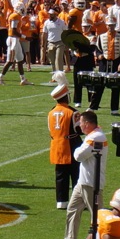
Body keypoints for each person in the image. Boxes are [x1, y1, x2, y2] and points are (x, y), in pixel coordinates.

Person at [53, 110, 107, 239]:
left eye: (82, 123)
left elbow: (78, 156)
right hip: (83, 182)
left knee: (98, 217)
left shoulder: (96, 137)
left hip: (91, 183)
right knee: (72, 210)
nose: (80, 126)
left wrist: (78, 149)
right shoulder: (94, 135)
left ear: (88, 124)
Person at [48, 81, 82, 209]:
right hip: (72, 145)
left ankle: (61, 202)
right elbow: (79, 130)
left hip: (56, 145)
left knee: (60, 175)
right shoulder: (72, 112)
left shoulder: (51, 112)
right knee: (76, 174)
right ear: (65, 97)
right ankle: (77, 201)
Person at [90, 18, 120, 114]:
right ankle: (93, 107)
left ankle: (114, 109)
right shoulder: (101, 37)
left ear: (115, 25)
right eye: (109, 25)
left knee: (115, 87)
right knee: (99, 86)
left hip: (115, 63)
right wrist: (99, 55)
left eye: (112, 25)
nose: (111, 27)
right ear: (106, 25)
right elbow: (97, 49)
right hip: (104, 64)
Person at [0, 3, 33, 86]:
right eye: (22, 9)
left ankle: (23, 79)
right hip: (13, 40)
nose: (23, 10)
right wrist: (25, 37)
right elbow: (13, 31)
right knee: (10, 61)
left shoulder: (17, 16)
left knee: (20, 59)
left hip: (16, 39)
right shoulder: (14, 16)